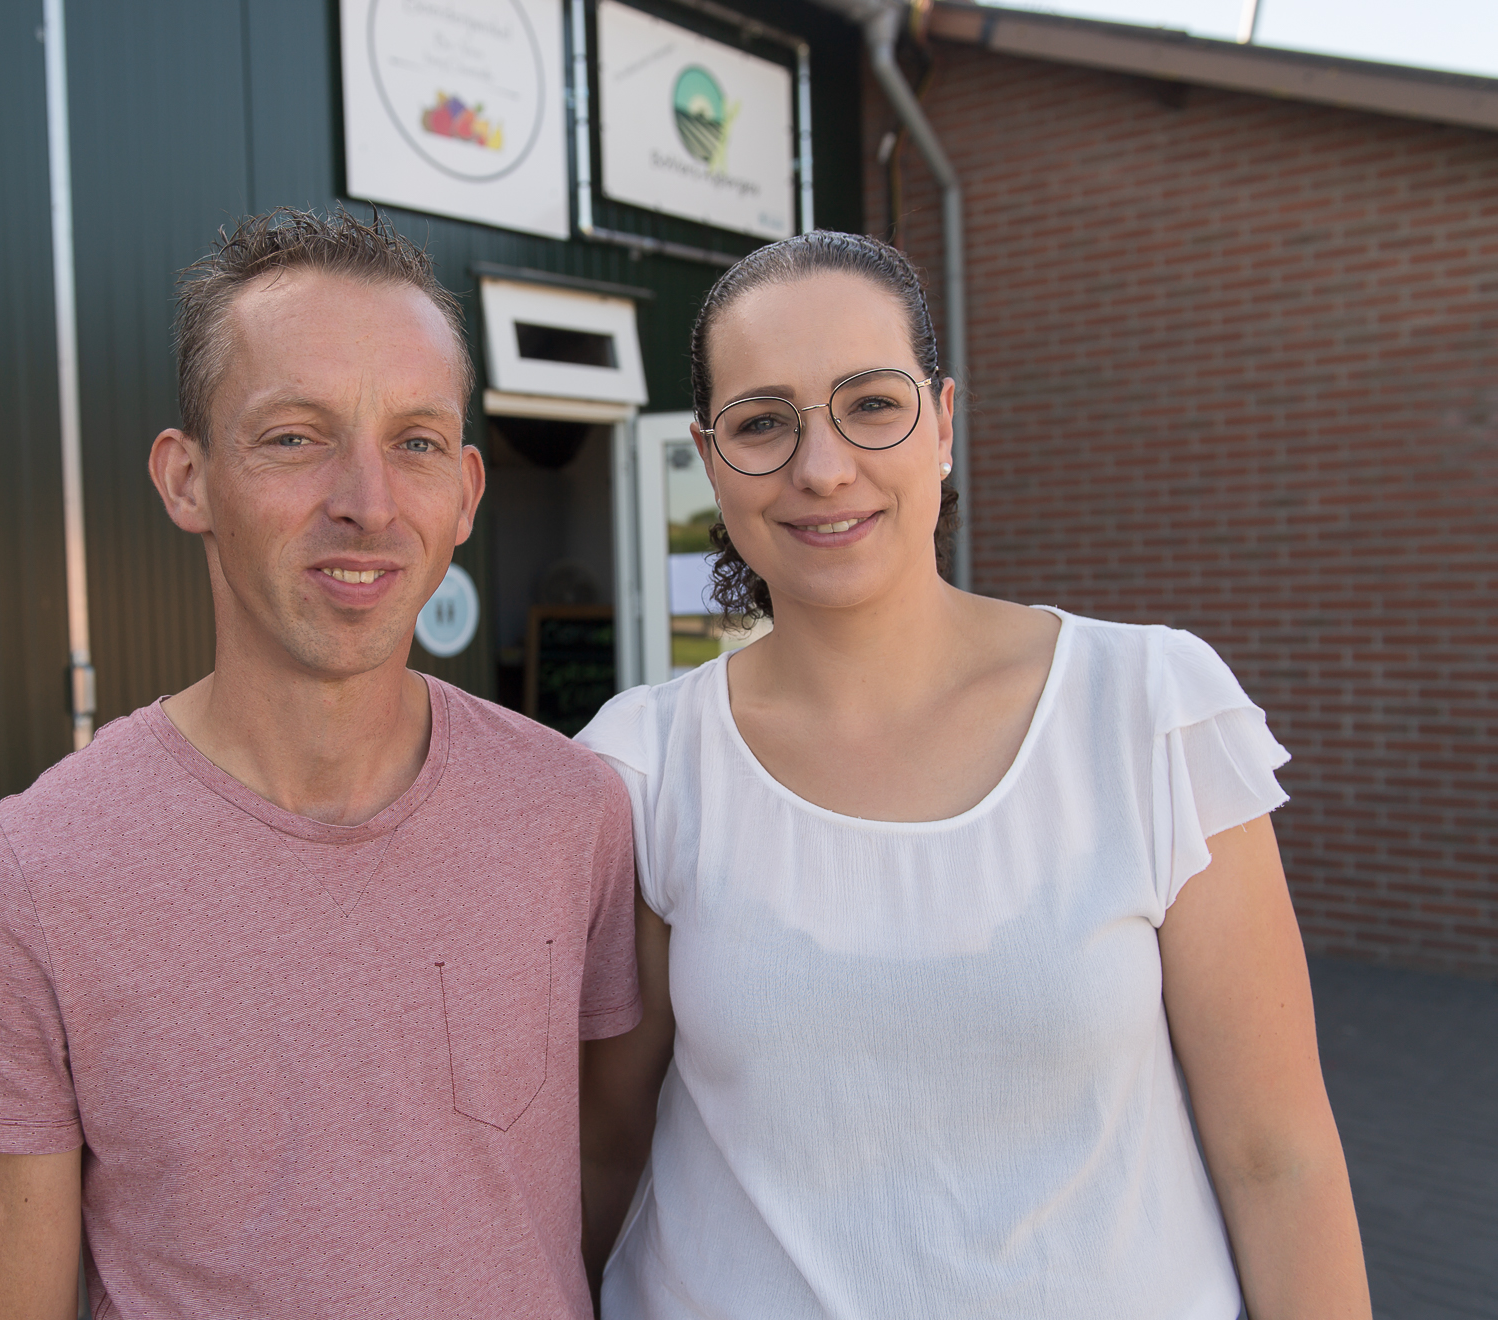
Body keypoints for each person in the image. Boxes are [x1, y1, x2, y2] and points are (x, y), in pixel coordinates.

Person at [576, 230, 1370, 1320]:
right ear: (714, 462)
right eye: (764, 422)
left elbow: (1278, 1157)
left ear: (943, 423)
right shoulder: (643, 766)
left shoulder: (1149, 708)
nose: (821, 466)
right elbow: (597, 1158)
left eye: (871, 404)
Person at [0, 207, 641, 1319]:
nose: (367, 503)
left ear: (468, 493)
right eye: (295, 436)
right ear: (186, 480)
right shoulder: (34, 880)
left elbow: (605, 1175)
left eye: (415, 441)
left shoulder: (575, 812)